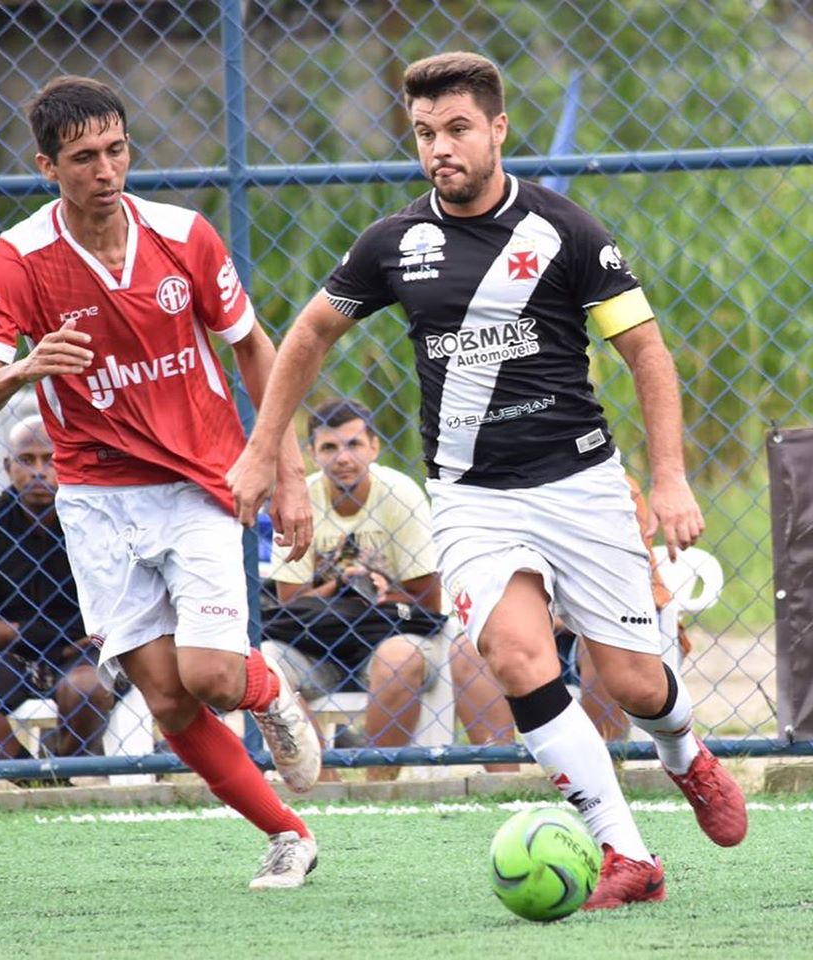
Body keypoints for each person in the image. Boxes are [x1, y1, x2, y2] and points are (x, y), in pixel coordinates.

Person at [227, 52, 747, 908]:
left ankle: (686, 753)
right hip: (473, 499)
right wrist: (262, 447)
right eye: (425, 132)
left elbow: (646, 350)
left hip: (580, 484)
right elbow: (311, 333)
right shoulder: (394, 244)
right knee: (514, 655)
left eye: (459, 128)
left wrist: (671, 479)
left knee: (633, 683)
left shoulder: (564, 231)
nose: (441, 148)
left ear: (498, 129)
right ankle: (626, 855)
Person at [0, 75, 321, 890]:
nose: (106, 170)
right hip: (96, 503)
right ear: (48, 166)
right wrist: (23, 369)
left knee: (213, 677)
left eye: (116, 150)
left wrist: (287, 472)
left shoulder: (183, 235)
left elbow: (255, 348)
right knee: (168, 700)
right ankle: (287, 834)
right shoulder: (18, 260)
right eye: (84, 157)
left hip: (199, 483)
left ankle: (267, 690)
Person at [260, 399, 447, 781]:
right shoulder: (300, 499)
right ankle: (324, 785)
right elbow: (289, 604)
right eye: (329, 447)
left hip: (389, 635)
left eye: (354, 444)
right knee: (264, 661)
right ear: (312, 453)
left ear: (374, 447)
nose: (343, 458)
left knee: (399, 657)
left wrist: (380, 591)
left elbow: (428, 600)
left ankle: (377, 787)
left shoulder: (399, 494)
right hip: (318, 643)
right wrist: (340, 586)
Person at [0, 416, 114, 779]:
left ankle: (63, 769)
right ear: (7, 466)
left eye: (51, 459)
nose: (38, 471)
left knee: (87, 688)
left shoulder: (93, 520)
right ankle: (34, 778)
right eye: (26, 460)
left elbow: (106, 613)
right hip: (12, 656)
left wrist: (18, 630)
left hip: (85, 651)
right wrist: (57, 634)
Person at [452, 474, 688, 747]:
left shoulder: (612, 485)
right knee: (467, 652)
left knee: (601, 643)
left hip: (607, 619)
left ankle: (609, 757)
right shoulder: (490, 489)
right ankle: (501, 767)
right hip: (534, 627)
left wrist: (553, 617)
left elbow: (629, 588)